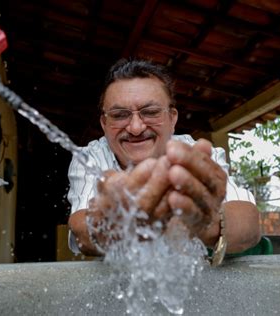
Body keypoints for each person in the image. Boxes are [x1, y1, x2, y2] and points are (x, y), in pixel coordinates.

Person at [67, 59, 261, 263]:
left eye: (150, 112)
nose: (135, 128)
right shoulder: (90, 157)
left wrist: (207, 223)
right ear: (104, 124)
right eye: (119, 115)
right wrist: (115, 224)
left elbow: (249, 224)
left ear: (172, 118)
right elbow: (81, 229)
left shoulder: (194, 152)